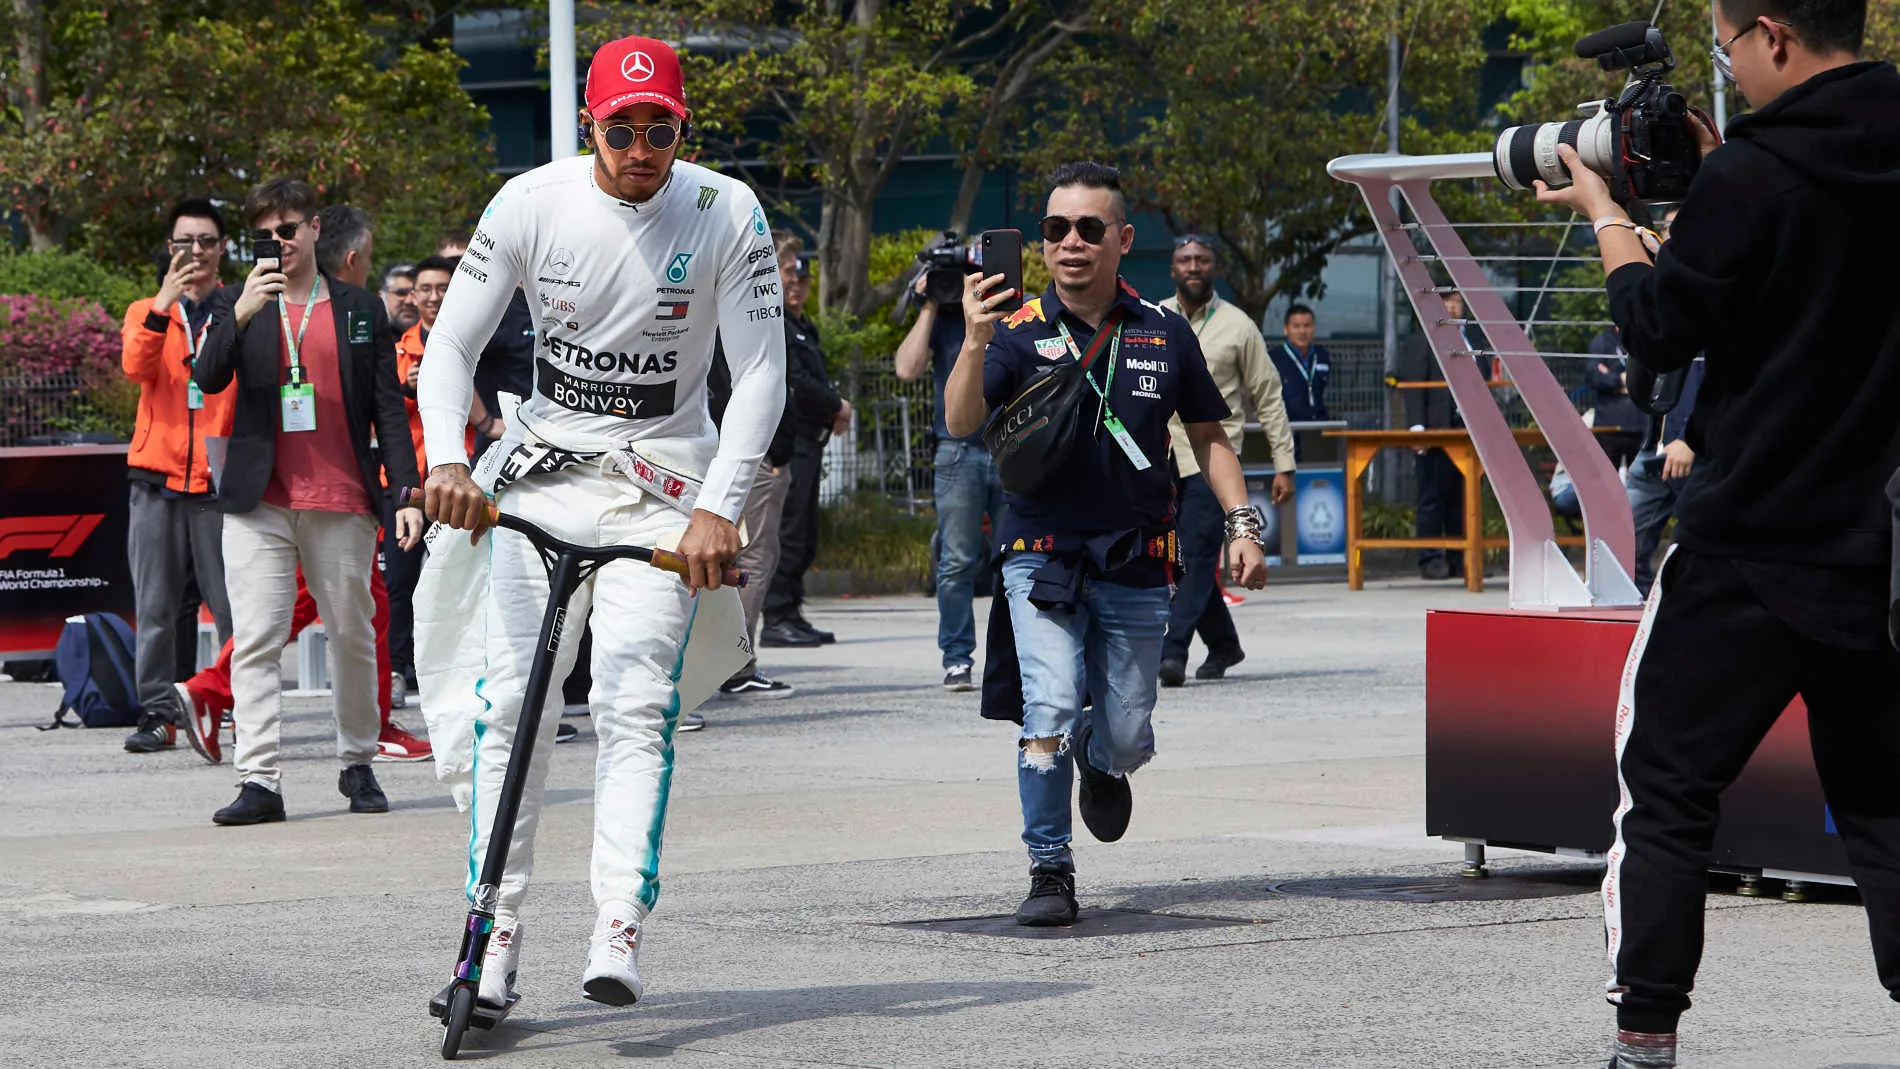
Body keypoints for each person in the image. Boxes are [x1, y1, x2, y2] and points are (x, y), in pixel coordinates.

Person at [1530, 4, 1900, 1065]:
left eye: (1725, 47)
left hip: (1743, 548)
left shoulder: (1750, 176)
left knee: (1665, 792)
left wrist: (1606, 212)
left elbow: (1657, 329)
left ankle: (1644, 1038)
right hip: (1879, 557)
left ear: (1772, 35)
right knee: (1886, 810)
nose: (1726, 72)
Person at [418, 35, 785, 1010]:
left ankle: (618, 918)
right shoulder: (529, 202)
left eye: (660, 130)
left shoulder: (725, 211)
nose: (640, 150)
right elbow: (449, 344)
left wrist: (719, 510)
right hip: (543, 478)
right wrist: (447, 460)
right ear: (591, 126)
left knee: (634, 699)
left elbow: (759, 372)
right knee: (515, 707)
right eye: (621, 130)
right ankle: (492, 933)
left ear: (683, 130)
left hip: (661, 490)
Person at [942, 162, 1269, 926]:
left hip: (1137, 556)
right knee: (1049, 702)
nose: (1071, 242)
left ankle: (1099, 754)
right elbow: (960, 422)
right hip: (1040, 552)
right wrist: (974, 339)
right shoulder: (1015, 330)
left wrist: (1241, 524)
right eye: (1056, 228)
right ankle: (1049, 867)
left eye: (1090, 229)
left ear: (1122, 239)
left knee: (1126, 736)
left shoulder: (1163, 329)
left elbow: (1209, 436)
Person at [192, 177, 423, 826]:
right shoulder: (236, 300)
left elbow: (387, 408)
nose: (278, 242)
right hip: (259, 498)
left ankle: (357, 760)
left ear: (314, 229)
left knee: (352, 635)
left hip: (342, 495)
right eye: (264, 234)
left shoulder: (359, 307)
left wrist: (406, 492)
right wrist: (241, 312)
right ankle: (258, 778)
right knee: (257, 637)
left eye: (288, 229)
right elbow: (207, 376)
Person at [118, 197, 237, 756]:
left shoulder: (238, 308)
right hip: (156, 475)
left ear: (222, 248)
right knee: (156, 608)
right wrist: (163, 304)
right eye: (185, 241)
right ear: (170, 248)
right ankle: (158, 713)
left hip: (218, 480)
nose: (196, 251)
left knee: (234, 606)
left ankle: (234, 704)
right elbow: (135, 367)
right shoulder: (147, 309)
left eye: (206, 241)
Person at [1156, 236, 1296, 686]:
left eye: (1202, 259)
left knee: (1196, 556)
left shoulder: (1238, 326)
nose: (1193, 267)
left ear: (1214, 267)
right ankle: (1224, 644)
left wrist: (1284, 462)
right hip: (1161, 460)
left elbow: (1268, 396)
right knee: (1177, 558)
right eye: (1185, 260)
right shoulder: (1153, 319)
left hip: (1214, 460)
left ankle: (1172, 652)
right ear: (1173, 269)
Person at [894, 243, 1000, 691]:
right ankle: (957, 658)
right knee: (956, 562)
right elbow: (906, 369)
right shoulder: (942, 319)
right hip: (957, 451)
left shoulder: (1005, 312)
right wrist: (930, 305)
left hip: (1010, 446)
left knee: (1017, 559)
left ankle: (1015, 656)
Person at [710, 230, 804, 699]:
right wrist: (768, 454)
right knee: (754, 557)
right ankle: (737, 665)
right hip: (756, 457)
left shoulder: (748, 311)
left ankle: (727, 662)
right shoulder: (745, 312)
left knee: (744, 556)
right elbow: (751, 385)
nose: (795, 280)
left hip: (755, 452)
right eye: (785, 269)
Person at [760, 254, 848, 648]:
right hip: (791, 442)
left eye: (802, 281)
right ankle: (776, 615)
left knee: (804, 533)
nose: (796, 287)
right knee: (789, 533)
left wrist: (830, 408)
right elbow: (795, 381)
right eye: (788, 279)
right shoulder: (775, 325)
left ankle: (792, 610)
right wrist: (836, 405)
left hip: (811, 440)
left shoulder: (802, 327)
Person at [1397, 291, 1491, 581]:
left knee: (1463, 497)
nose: (1451, 307)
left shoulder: (1474, 340)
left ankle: (1460, 557)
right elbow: (1413, 386)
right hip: (1434, 430)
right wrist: (1417, 429)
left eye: (1456, 301)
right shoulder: (1422, 340)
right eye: (1445, 301)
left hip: (1469, 431)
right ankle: (1430, 558)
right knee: (1432, 496)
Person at [435, 230, 535, 456]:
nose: (459, 268)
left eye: (465, 260)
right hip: (491, 447)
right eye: (451, 262)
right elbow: (450, 364)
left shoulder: (519, 300)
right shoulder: (478, 309)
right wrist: (486, 422)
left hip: (540, 434)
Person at [1626, 353, 1704, 596]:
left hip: (1696, 452)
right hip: (1654, 449)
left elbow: (1725, 386)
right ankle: (1643, 610)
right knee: (1623, 543)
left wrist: (1689, 437)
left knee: (1700, 548)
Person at [1584, 327, 1648, 471]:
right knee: (1605, 477)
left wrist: (1621, 380)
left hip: (1640, 425)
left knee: (1640, 478)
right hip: (1609, 425)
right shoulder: (1602, 341)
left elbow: (1652, 377)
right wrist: (1620, 380)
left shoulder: (1645, 339)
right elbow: (1593, 377)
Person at [1268, 303, 1330, 423]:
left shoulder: (1322, 355)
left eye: (1307, 326)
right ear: (1286, 329)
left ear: (1313, 328)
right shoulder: (1274, 358)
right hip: (1288, 425)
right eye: (1296, 326)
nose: (1302, 331)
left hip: (1319, 423)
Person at [381, 263, 419, 333]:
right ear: (382, 297)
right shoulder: (369, 335)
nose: (409, 301)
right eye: (400, 293)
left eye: (416, 293)